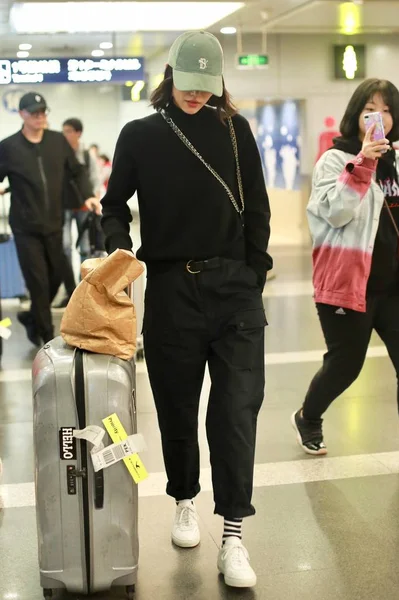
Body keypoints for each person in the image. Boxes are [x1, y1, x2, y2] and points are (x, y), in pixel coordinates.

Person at [101, 30, 272, 588]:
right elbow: (113, 207)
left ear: (218, 84)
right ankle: (183, 498)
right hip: (172, 289)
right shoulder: (140, 135)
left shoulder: (236, 130)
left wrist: (253, 273)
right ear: (169, 76)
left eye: (206, 88)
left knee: (236, 411)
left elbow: (259, 211)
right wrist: (119, 255)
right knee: (177, 406)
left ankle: (234, 536)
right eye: (186, 85)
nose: (196, 97)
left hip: (234, 292)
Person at [292, 78, 399, 455]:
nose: (380, 116)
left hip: (394, 287)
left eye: (387, 109)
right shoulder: (335, 160)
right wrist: (365, 161)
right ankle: (308, 416)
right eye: (372, 108)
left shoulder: (398, 159)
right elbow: (336, 213)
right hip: (350, 282)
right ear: (357, 113)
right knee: (346, 364)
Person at [0, 92, 98, 345]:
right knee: (39, 284)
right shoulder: (8, 147)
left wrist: (87, 195)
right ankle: (46, 337)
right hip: (25, 229)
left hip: (55, 224)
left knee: (58, 278)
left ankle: (32, 318)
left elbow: (77, 171)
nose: (40, 116)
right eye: (34, 113)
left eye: (43, 112)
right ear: (22, 115)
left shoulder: (57, 142)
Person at [54, 118, 102, 309]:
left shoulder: (87, 155)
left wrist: (95, 201)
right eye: (63, 130)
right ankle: (69, 288)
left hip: (83, 207)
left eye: (68, 131)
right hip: (63, 206)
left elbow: (95, 180)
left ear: (78, 133)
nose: (65, 134)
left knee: (85, 248)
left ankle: (84, 288)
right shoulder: (58, 153)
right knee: (64, 246)